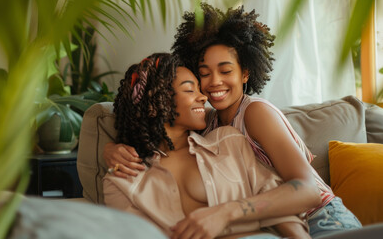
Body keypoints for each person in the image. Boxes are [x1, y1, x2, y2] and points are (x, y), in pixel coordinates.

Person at [103, 3, 362, 238]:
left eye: (226, 71)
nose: (214, 82)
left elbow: (308, 191)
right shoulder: (207, 126)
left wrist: (227, 212)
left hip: (322, 218)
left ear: (246, 73)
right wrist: (113, 149)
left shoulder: (255, 113)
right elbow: (158, 128)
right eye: (203, 74)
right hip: (275, 224)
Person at [103, 53, 310, 239]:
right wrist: (110, 148)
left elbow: (274, 202)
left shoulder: (228, 141)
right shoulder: (122, 180)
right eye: (189, 90)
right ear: (154, 104)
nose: (203, 97)